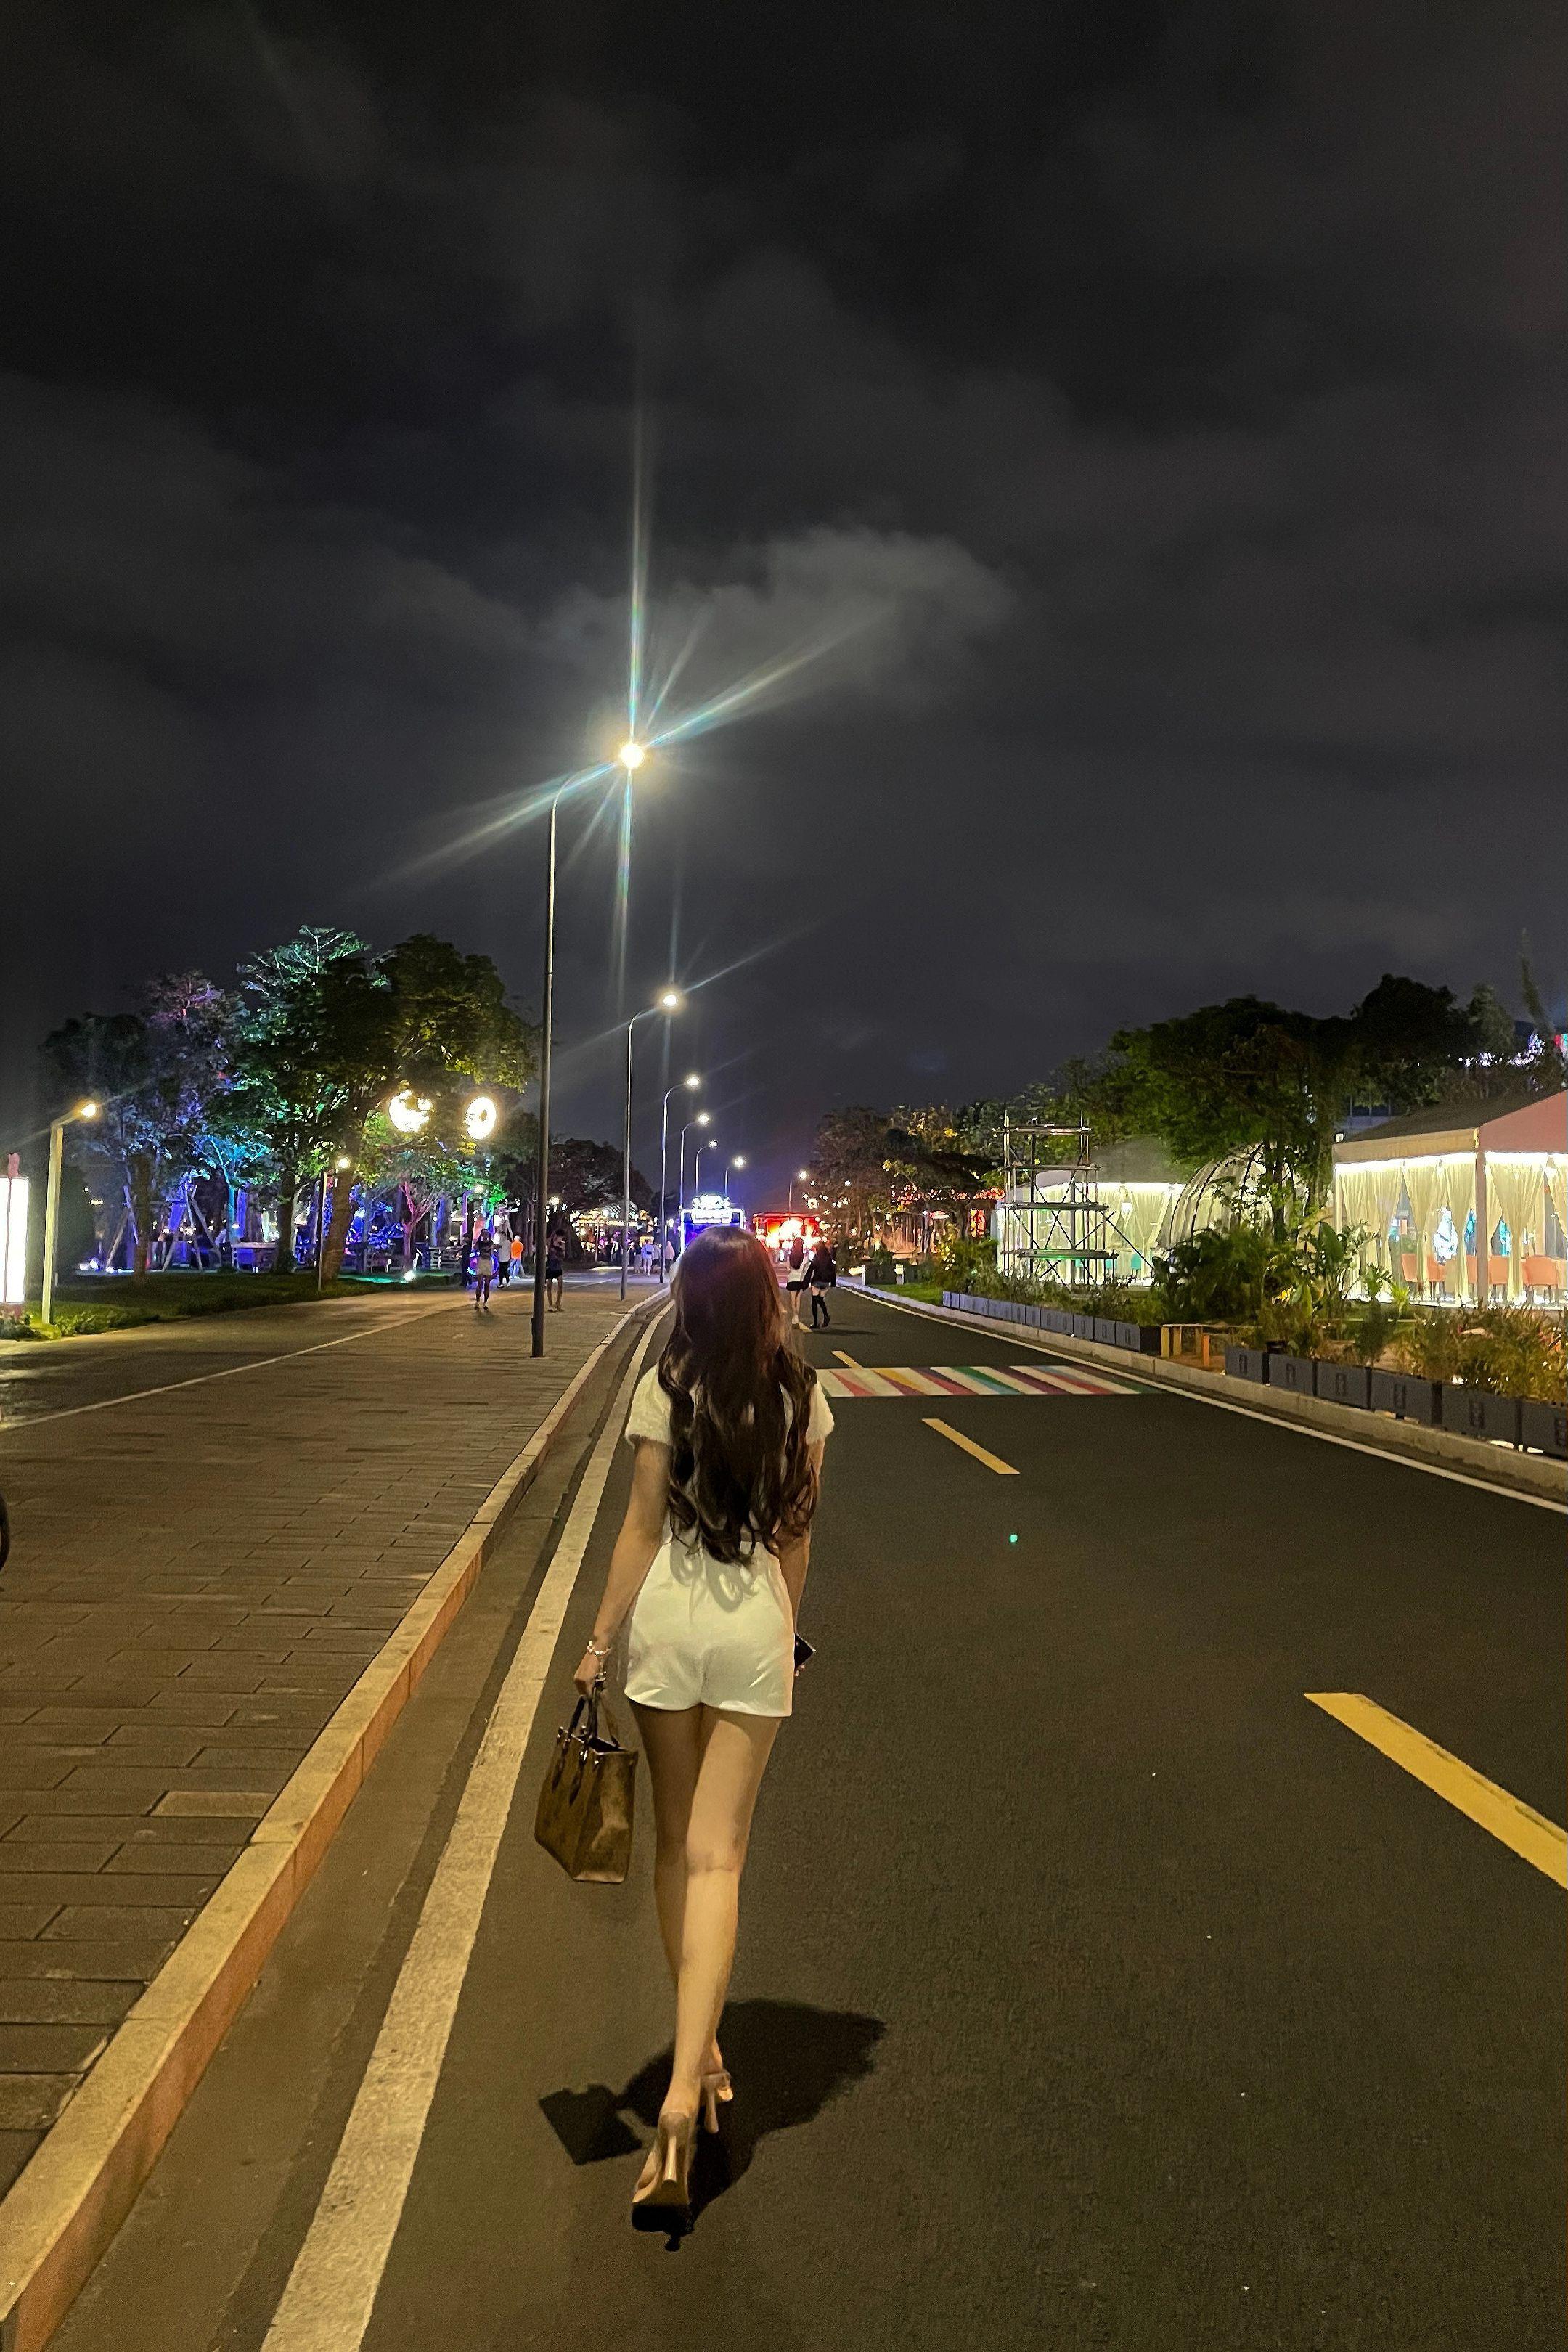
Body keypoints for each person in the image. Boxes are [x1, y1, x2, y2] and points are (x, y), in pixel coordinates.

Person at [572, 1226, 833, 2221]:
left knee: (676, 1849)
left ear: (690, 1299)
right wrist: (783, 1633)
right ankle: (689, 2087)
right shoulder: (802, 1395)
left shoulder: (666, 1387)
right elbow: (796, 1538)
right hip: (751, 1627)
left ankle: (695, 2050)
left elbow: (641, 1528)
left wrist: (598, 1644)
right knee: (722, 1861)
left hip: (669, 1629)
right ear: (768, 1298)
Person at [805, 1238, 837, 1328]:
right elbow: (833, 1270)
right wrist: (833, 1283)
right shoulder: (828, 1258)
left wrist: (805, 1283)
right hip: (825, 1282)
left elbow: (810, 1270)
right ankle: (826, 1315)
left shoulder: (817, 1258)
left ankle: (816, 1323)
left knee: (814, 1301)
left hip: (817, 1281)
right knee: (821, 1300)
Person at [784, 1231, 807, 1327]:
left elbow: (788, 1269)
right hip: (800, 1280)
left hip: (792, 1280)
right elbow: (806, 1270)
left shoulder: (790, 1256)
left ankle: (795, 1316)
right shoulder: (805, 1257)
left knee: (792, 1299)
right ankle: (797, 1316)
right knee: (798, 1299)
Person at [544, 1222, 565, 1311]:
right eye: (560, 1236)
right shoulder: (550, 1242)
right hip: (550, 1265)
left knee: (560, 1285)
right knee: (549, 1285)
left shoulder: (562, 1244)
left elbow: (564, 1255)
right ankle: (550, 1304)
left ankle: (558, 1303)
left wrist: (561, 1251)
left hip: (557, 1265)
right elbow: (547, 1245)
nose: (561, 1238)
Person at [473, 1227, 494, 1309]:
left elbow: (495, 1247)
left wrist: (492, 1247)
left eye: (487, 1234)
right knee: (480, 1283)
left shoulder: (491, 1243)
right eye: (484, 1234)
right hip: (482, 1262)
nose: (485, 1235)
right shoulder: (480, 1243)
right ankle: (477, 1301)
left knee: (487, 1284)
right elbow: (476, 1248)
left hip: (488, 1262)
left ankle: (485, 1302)